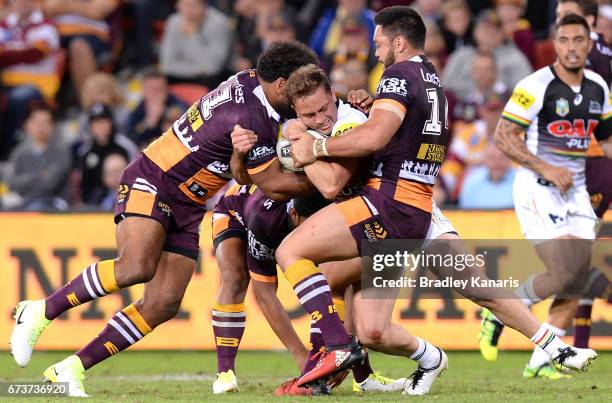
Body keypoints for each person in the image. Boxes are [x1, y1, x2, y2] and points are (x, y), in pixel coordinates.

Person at [9, 41, 318, 397]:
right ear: (280, 84)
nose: (301, 97)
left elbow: (247, 173)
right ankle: (40, 310)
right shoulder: (250, 118)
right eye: (297, 88)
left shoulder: (250, 82)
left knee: (163, 303)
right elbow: (274, 186)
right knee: (135, 267)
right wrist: (331, 178)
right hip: (155, 178)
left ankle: (71, 367)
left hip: (188, 201)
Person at [276, 7, 451, 395]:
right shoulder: (390, 92)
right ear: (297, 111)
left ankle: (337, 351)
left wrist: (304, 143)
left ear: (333, 97)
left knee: (297, 256)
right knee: (371, 328)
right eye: (309, 115)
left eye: (324, 109)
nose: (321, 118)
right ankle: (423, 358)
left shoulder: (352, 119)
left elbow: (330, 184)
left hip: (383, 212)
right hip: (379, 218)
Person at [478, 13, 606, 379]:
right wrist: (546, 168)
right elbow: (503, 136)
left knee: (578, 280)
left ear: (589, 43)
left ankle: (541, 363)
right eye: (564, 40)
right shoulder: (536, 85)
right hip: (539, 188)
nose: (571, 47)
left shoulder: (598, 87)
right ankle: (500, 309)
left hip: (576, 192)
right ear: (555, 43)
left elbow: (608, 142)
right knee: (566, 272)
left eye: (578, 40)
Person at [0, 0, 60, 159]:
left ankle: (9, 151)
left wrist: (7, 51)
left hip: (38, 86)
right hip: (7, 83)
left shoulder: (46, 24)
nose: (23, 2)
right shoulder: (5, 25)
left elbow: (35, 53)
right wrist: (19, 50)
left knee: (18, 97)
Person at [3, 103, 70, 210]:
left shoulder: (61, 151)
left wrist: (26, 181)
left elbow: (50, 184)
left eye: (45, 122)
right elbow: (12, 182)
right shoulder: (19, 152)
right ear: (27, 125)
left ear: (52, 126)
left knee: (37, 206)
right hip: (24, 200)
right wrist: (38, 176)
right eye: (37, 122)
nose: (41, 127)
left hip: (55, 201)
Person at [159, 0, 233, 88]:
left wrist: (192, 36)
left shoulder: (219, 23)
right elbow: (166, 65)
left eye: (194, 5)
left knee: (210, 79)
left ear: (204, 5)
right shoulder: (174, 21)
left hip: (212, 79)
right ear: (177, 6)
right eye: (186, 5)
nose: (190, 10)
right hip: (180, 76)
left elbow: (213, 68)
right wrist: (200, 69)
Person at [76, 103, 138, 205]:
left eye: (104, 122)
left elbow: (135, 176)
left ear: (111, 123)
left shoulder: (126, 147)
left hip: (124, 201)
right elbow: (83, 185)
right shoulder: (85, 151)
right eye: (96, 123)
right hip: (93, 206)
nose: (100, 127)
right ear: (91, 126)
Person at [127, 69, 187, 149]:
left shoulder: (175, 101)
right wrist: (150, 121)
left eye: (160, 89)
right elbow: (133, 138)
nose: (156, 93)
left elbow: (186, 115)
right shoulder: (138, 111)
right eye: (152, 89)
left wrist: (168, 114)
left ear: (166, 89)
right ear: (143, 90)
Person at [458, 143, 515, 209]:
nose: (497, 163)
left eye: (502, 158)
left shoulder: (521, 182)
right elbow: (464, 213)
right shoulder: (472, 182)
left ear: (510, 160)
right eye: (492, 158)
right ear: (485, 160)